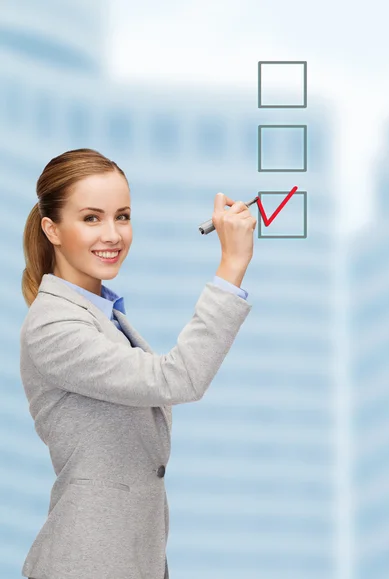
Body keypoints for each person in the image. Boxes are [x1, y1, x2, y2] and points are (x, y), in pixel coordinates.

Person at [19, 148, 256, 579]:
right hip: (86, 564)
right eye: (91, 218)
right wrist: (231, 267)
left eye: (122, 216)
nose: (112, 234)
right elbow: (177, 377)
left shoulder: (106, 316)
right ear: (51, 229)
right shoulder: (53, 325)